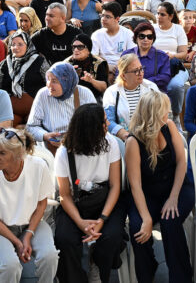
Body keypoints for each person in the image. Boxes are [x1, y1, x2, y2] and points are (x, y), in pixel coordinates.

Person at [124, 90, 194, 283]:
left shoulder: (169, 126)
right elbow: (135, 184)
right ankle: (147, 272)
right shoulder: (133, 141)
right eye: (165, 111)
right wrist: (146, 218)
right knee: (139, 227)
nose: (168, 114)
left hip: (177, 187)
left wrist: (173, 198)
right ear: (154, 114)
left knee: (170, 221)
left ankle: (181, 278)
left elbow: (181, 163)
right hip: (147, 193)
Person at [52, 103, 126, 283]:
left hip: (105, 201)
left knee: (111, 237)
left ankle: (98, 267)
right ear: (92, 128)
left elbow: (115, 186)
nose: (107, 124)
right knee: (65, 239)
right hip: (76, 203)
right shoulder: (64, 153)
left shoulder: (110, 143)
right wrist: (80, 223)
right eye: (104, 121)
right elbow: (65, 194)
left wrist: (102, 220)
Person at [0, 127, 58, 283]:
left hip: (31, 224)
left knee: (49, 256)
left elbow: (41, 204)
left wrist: (28, 235)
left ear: (18, 154)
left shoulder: (38, 166)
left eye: (2, 153)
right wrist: (18, 242)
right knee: (10, 265)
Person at [26, 62, 97, 154]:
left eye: (54, 81)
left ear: (66, 81)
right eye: (48, 79)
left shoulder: (84, 93)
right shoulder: (43, 94)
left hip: (80, 147)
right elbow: (31, 126)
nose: (49, 85)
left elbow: (95, 124)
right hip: (51, 148)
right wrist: (45, 135)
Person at [0, 30, 50, 125]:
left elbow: (49, 82)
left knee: (33, 131)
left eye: (20, 44)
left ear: (27, 45)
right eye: (13, 44)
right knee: (5, 130)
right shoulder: (5, 64)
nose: (16, 47)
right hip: (11, 111)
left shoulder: (39, 61)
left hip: (35, 111)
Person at [103, 54, 161, 143]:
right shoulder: (111, 92)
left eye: (141, 69)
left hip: (150, 137)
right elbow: (109, 121)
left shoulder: (151, 88)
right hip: (123, 140)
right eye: (136, 71)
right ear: (123, 76)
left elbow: (160, 115)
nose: (141, 73)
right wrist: (125, 135)